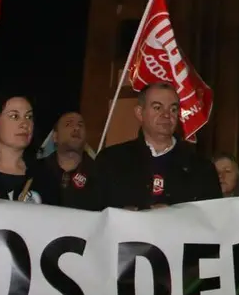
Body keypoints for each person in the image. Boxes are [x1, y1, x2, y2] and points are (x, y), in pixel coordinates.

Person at [87, 82, 221, 210]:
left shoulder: (201, 168)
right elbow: (93, 215)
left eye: (173, 109)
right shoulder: (111, 161)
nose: (167, 115)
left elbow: (211, 221)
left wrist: (175, 215)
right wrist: (122, 215)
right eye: (157, 107)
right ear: (140, 113)